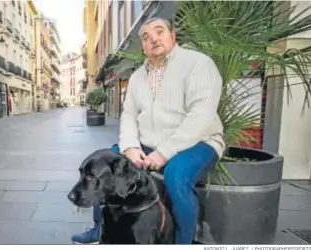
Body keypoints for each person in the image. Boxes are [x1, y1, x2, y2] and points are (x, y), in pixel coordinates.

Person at [71, 17, 225, 245]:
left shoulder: (198, 64)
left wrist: (164, 152)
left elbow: (201, 116)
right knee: (101, 163)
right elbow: (129, 115)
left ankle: (183, 242)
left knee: (177, 175)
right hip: (148, 143)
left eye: (159, 31)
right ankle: (100, 229)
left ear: (173, 36)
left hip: (199, 141)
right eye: (146, 36)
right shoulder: (137, 77)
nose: (153, 38)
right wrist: (130, 146)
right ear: (143, 46)